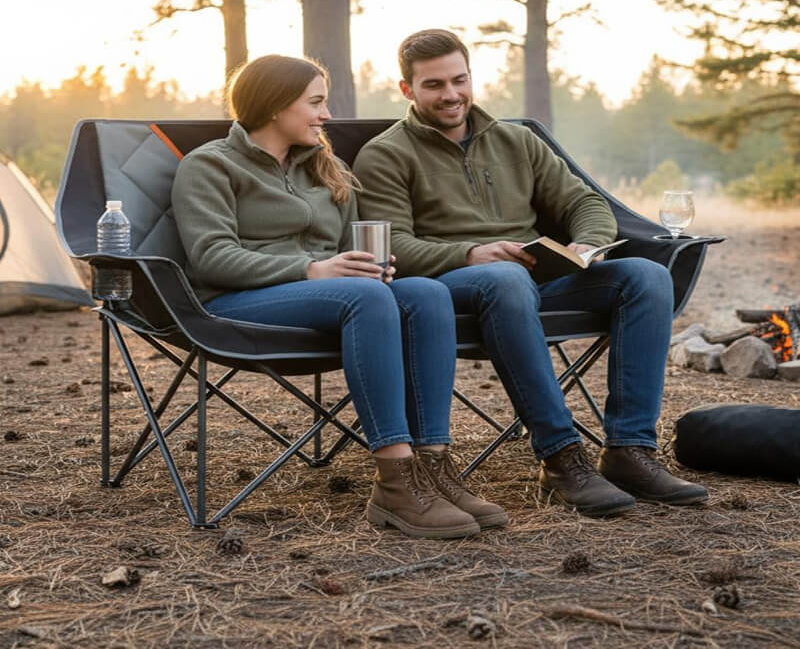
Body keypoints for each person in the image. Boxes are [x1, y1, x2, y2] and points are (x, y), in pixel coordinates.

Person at [352, 29, 708, 517]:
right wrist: (470, 254)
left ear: (471, 78)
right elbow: (394, 245)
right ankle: (560, 457)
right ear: (407, 90)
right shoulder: (386, 154)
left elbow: (584, 201)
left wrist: (588, 242)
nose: (451, 94)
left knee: (646, 277)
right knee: (506, 278)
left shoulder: (516, 140)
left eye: (459, 80)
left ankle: (630, 450)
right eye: (434, 85)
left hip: (534, 276)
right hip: (452, 287)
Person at [171, 53, 507, 538]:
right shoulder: (209, 166)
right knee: (363, 298)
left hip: (327, 296)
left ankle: (434, 468)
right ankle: (396, 481)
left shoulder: (326, 167)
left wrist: (368, 265)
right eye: (316, 103)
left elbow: (349, 249)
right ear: (273, 106)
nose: (327, 115)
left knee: (426, 293)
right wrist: (313, 269)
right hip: (234, 304)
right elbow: (211, 257)